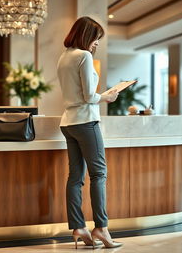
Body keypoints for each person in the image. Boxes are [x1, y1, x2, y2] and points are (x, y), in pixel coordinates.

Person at [57, 16, 122, 249]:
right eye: (96, 39)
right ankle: (101, 228)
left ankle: (78, 226)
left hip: (68, 122)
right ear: (86, 36)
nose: (96, 44)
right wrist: (108, 96)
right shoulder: (83, 56)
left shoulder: (63, 57)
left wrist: (99, 95)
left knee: (75, 177)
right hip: (86, 121)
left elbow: (76, 94)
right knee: (98, 174)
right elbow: (88, 97)